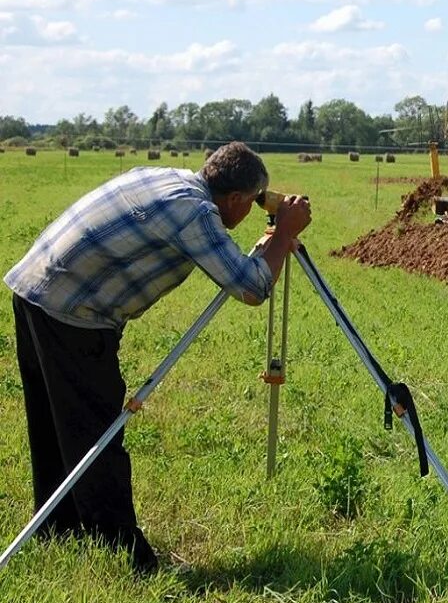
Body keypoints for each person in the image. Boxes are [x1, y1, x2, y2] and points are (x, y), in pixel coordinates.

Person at [5, 141, 311, 574]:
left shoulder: (166, 178)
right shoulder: (196, 213)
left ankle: (59, 529)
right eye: (254, 201)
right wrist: (283, 233)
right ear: (237, 199)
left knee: (57, 424)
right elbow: (251, 286)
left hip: (35, 288)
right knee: (98, 434)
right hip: (74, 313)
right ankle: (129, 559)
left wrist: (273, 238)